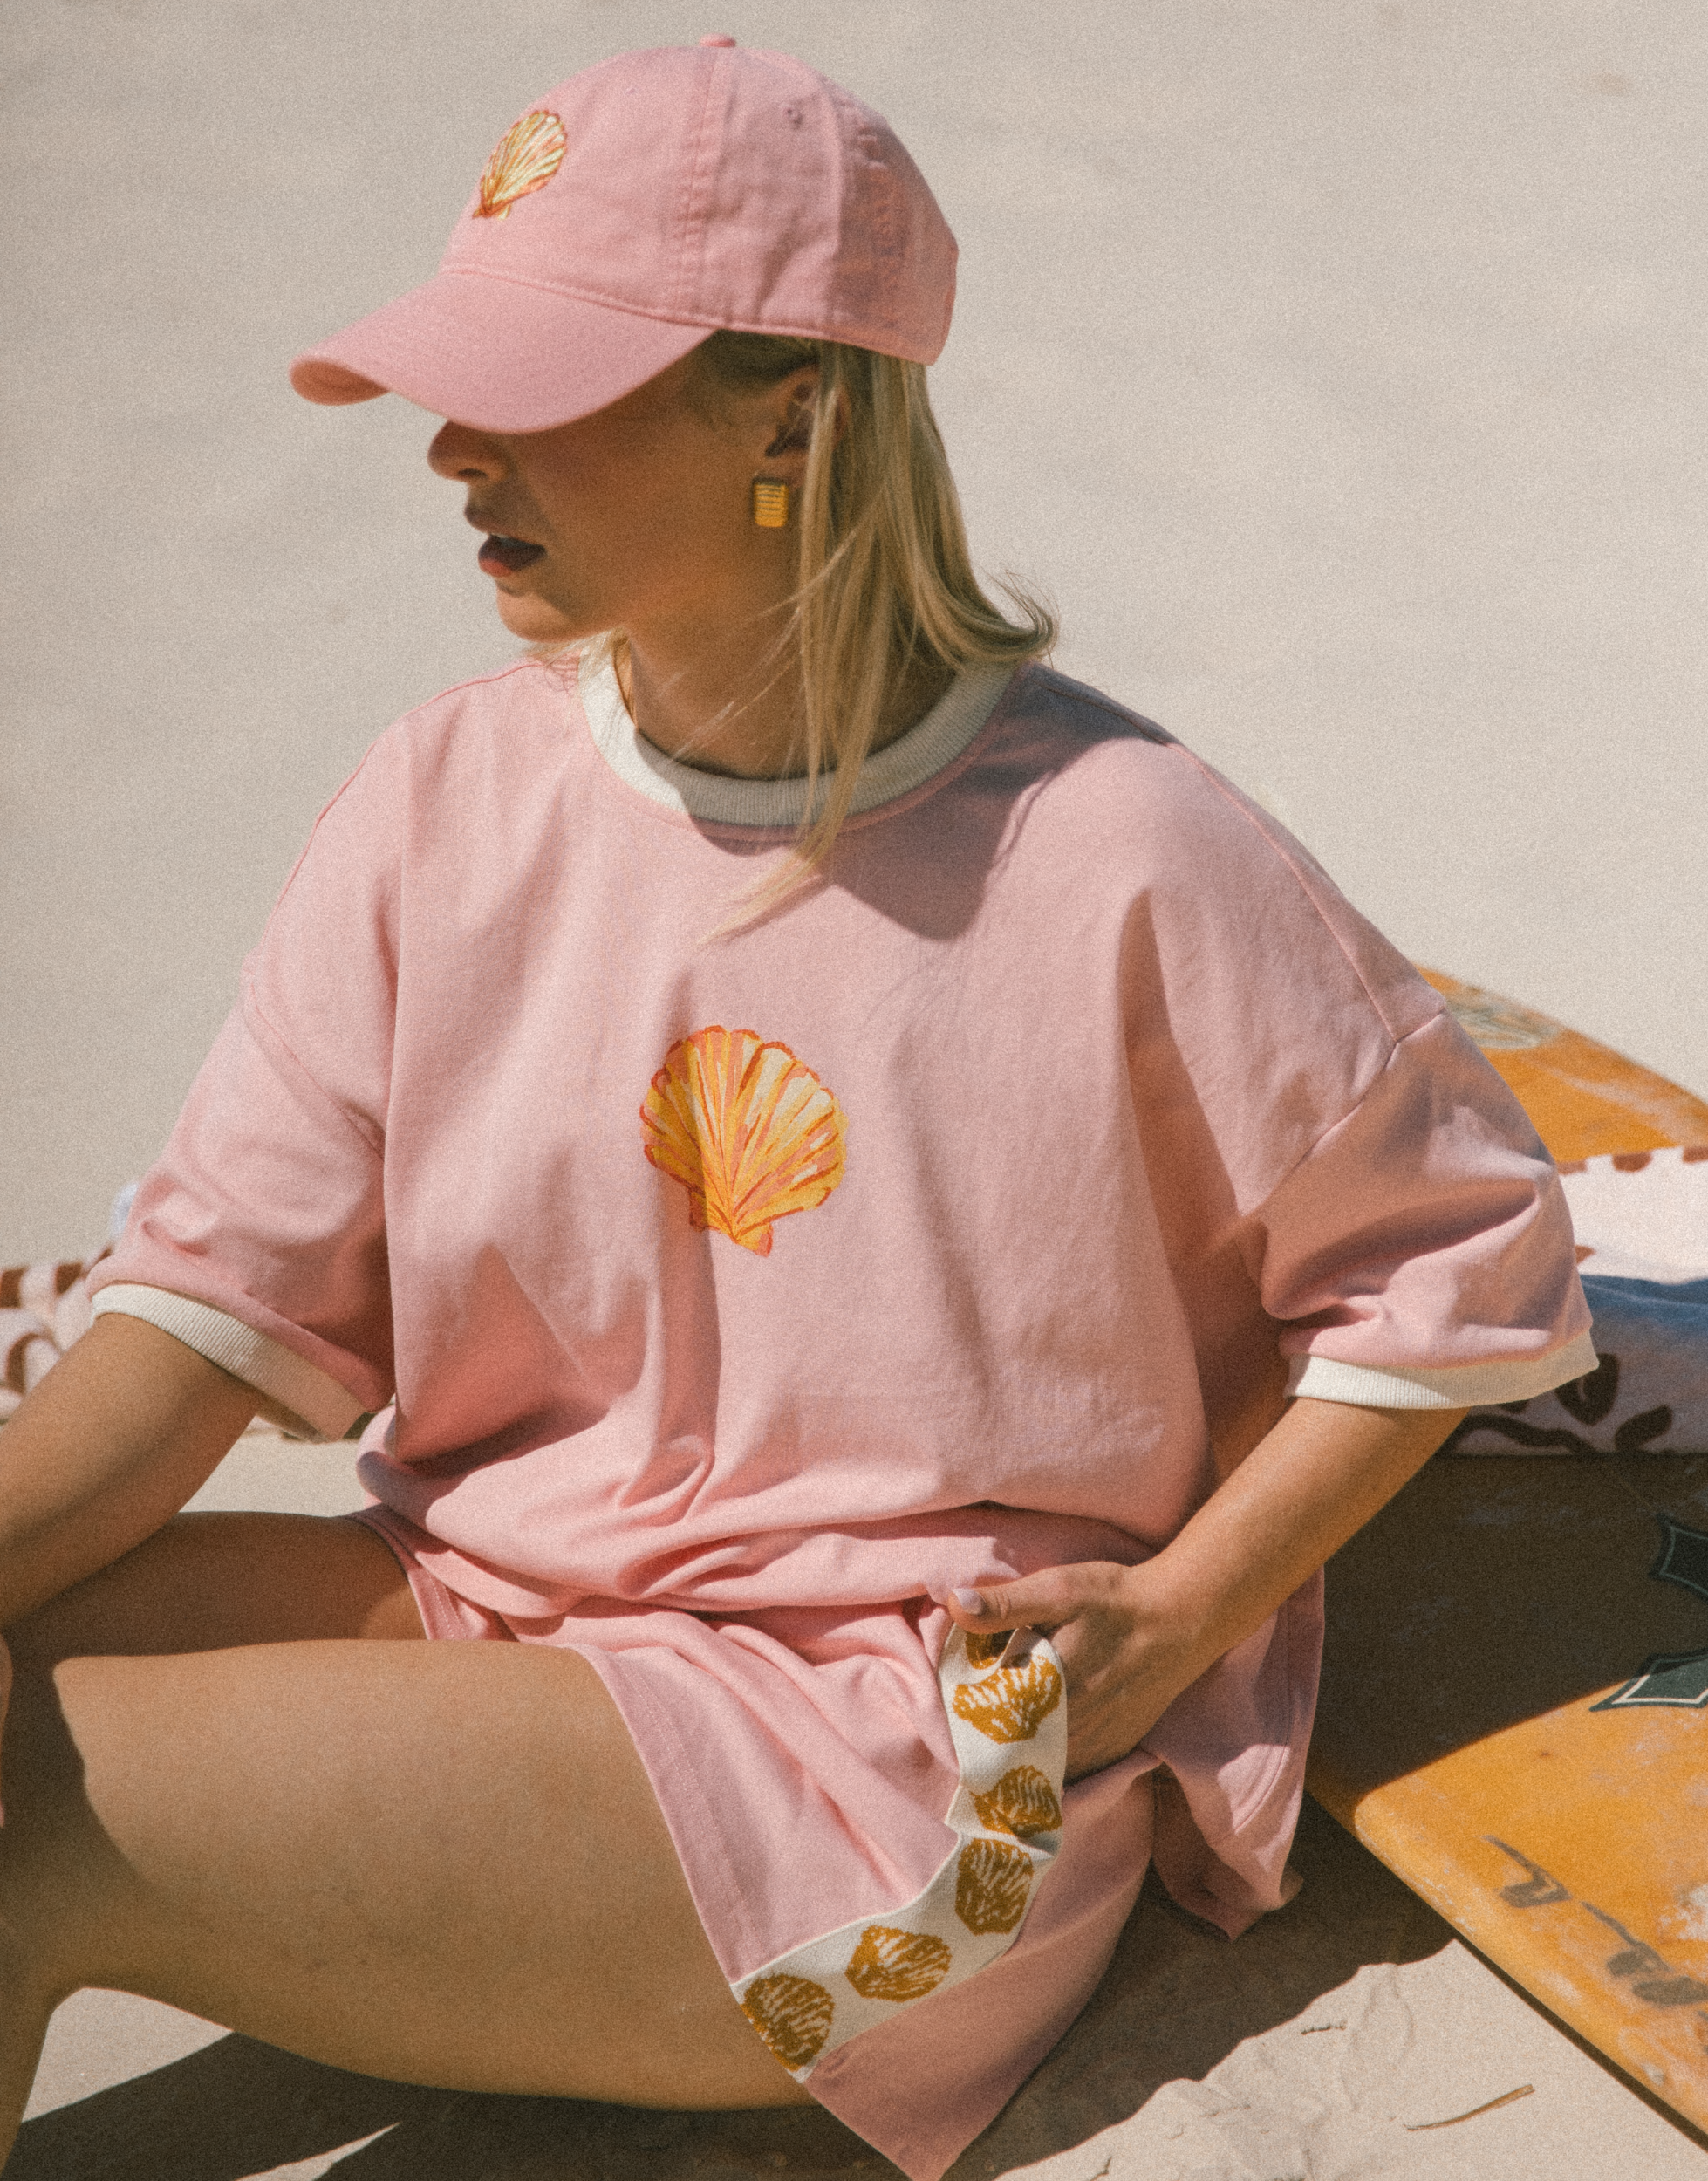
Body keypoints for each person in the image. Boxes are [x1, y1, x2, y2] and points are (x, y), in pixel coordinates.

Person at [0, 38, 1595, 2181]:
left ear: (799, 409)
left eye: (541, 385)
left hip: (890, 1772)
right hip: (493, 1611)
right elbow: (198, 1316)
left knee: (22, 1796)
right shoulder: (440, 798)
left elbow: (1461, 1265)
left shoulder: (1124, 847)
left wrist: (1187, 1606)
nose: (454, 443)